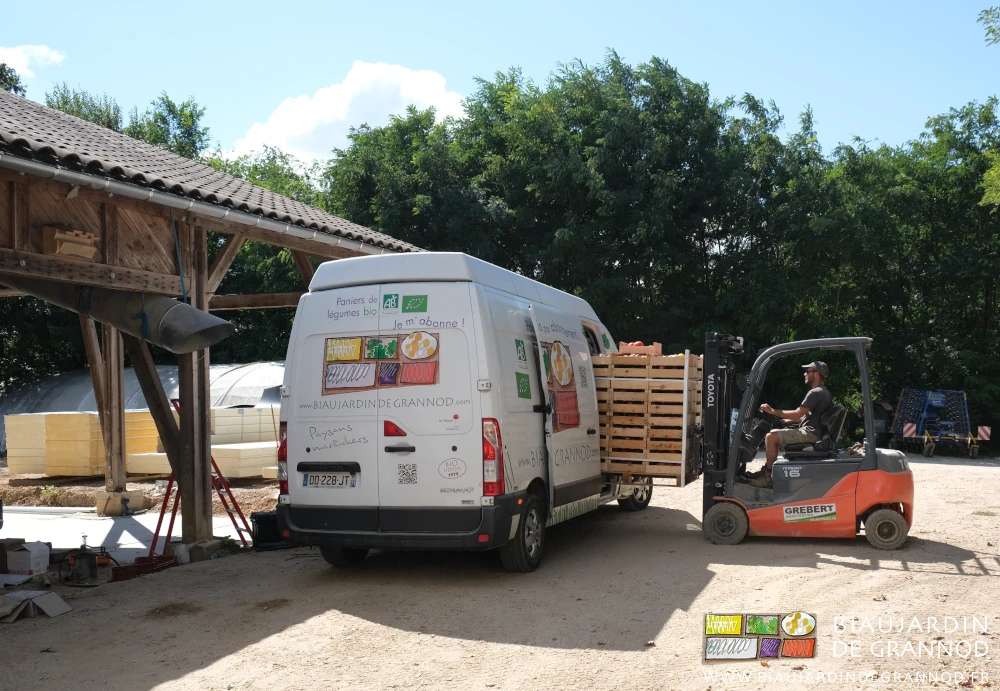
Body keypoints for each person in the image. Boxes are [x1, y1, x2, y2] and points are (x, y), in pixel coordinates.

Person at [748, 361, 832, 488]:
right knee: (775, 432)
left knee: (771, 437)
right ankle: (766, 471)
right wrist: (792, 421)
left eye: (808, 371)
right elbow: (811, 416)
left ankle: (767, 477)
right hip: (815, 431)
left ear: (816, 374)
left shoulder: (815, 393)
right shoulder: (825, 392)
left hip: (811, 433)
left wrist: (772, 411)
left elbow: (797, 413)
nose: (805, 374)